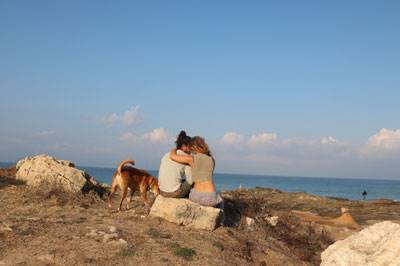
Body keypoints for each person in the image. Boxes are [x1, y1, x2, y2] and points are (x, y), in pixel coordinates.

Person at [169, 136, 223, 208]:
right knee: (221, 200)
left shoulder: (191, 159)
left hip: (196, 196)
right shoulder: (212, 160)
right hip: (211, 198)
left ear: (192, 147)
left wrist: (176, 148)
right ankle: (222, 218)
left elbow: (172, 156)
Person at [158, 131, 193, 198]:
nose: (191, 150)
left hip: (162, 191)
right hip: (174, 193)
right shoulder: (186, 158)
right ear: (184, 146)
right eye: (190, 147)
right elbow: (190, 180)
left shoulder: (166, 155)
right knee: (191, 181)